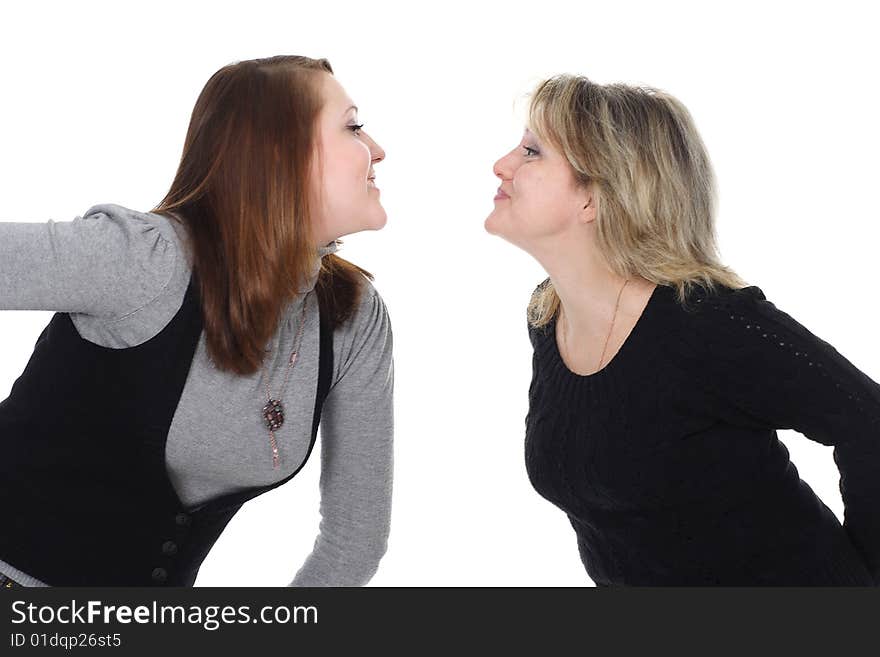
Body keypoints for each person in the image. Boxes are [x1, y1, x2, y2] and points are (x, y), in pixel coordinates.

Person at [0, 55, 393, 587]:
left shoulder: (352, 315)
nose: (377, 151)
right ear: (278, 154)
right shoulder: (145, 258)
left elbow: (355, 542)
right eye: (353, 127)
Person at [485, 74, 879, 586]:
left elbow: (868, 422)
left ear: (594, 198)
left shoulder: (707, 323)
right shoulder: (549, 314)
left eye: (532, 152)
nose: (503, 165)